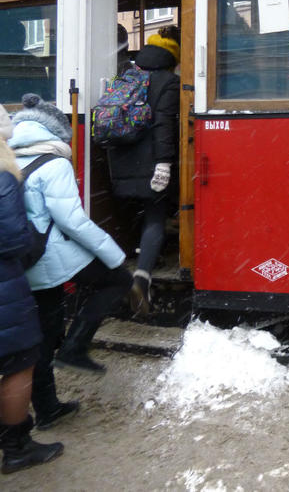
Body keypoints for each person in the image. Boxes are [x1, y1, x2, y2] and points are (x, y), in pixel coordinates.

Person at [9, 94, 129, 388]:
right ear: (56, 132)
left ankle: (47, 405)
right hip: (49, 255)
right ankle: (74, 348)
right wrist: (114, 254)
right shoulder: (54, 164)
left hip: (24, 255)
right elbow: (72, 221)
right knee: (118, 280)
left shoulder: (9, 160)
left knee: (44, 332)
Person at [0, 109, 64, 474]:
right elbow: (12, 239)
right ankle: (17, 447)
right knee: (20, 361)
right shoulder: (3, 175)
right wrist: (33, 242)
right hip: (4, 288)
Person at [106, 25, 180, 315]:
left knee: (137, 212)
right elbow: (164, 125)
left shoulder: (127, 75)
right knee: (155, 215)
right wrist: (164, 163)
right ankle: (142, 278)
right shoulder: (168, 83)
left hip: (120, 160)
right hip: (150, 162)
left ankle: (129, 268)